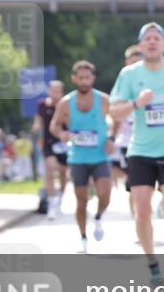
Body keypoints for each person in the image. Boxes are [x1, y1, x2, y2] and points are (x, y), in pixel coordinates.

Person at [109, 22, 164, 285]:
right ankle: (153, 265)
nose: (151, 42)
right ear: (140, 46)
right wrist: (137, 103)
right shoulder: (129, 75)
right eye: (146, 38)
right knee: (142, 211)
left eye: (156, 38)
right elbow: (114, 111)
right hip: (140, 151)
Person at [50, 61, 114, 254]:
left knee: (105, 195)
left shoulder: (103, 100)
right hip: (77, 158)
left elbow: (114, 119)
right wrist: (62, 134)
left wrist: (110, 137)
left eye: (88, 77)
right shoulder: (66, 103)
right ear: (74, 79)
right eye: (81, 78)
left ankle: (99, 217)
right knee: (81, 200)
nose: (84, 81)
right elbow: (55, 125)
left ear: (92, 79)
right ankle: (83, 238)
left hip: (100, 156)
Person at [111, 46, 143, 212]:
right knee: (134, 183)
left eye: (139, 61)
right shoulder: (122, 83)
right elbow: (115, 113)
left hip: (150, 140)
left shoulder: (152, 80)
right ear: (127, 62)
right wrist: (111, 138)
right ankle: (137, 218)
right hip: (127, 142)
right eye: (133, 61)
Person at [33, 80, 69, 218]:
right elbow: (38, 120)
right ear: (49, 91)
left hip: (63, 142)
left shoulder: (65, 104)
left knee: (63, 173)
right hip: (48, 143)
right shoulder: (42, 105)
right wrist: (36, 127)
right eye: (54, 91)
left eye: (59, 91)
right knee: (50, 168)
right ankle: (52, 201)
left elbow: (69, 122)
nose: (56, 94)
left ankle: (60, 198)